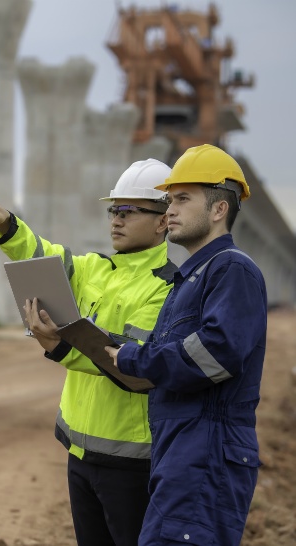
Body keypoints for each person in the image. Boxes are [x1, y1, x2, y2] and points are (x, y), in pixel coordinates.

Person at [0, 158, 178, 546]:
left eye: (130, 211)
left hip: (129, 462)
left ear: (163, 221)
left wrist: (59, 347)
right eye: (114, 209)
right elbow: (43, 257)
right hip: (80, 453)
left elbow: (132, 363)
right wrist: (9, 226)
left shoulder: (166, 288)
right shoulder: (95, 268)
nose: (116, 219)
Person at [105, 144, 266, 546]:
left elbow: (214, 355)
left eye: (181, 199)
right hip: (183, 448)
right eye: (168, 200)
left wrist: (132, 358)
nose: (169, 210)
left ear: (218, 210)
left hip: (206, 450)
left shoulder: (231, 269)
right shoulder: (192, 277)